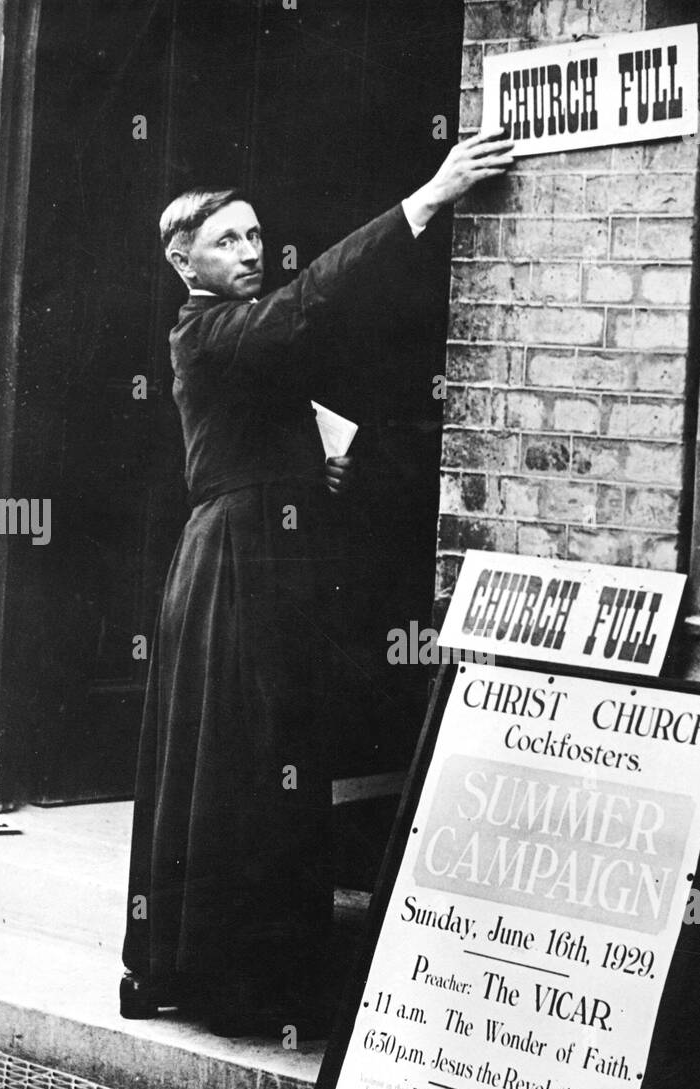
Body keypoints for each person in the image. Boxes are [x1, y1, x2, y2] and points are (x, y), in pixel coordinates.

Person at [120, 131, 515, 1037]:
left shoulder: (237, 332)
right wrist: (428, 198)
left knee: (269, 756)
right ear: (184, 262)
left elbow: (275, 388)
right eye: (228, 242)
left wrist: (310, 458)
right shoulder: (205, 328)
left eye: (257, 237)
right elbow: (306, 309)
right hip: (233, 566)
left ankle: (262, 966)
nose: (251, 253)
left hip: (270, 554)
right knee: (239, 759)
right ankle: (230, 979)